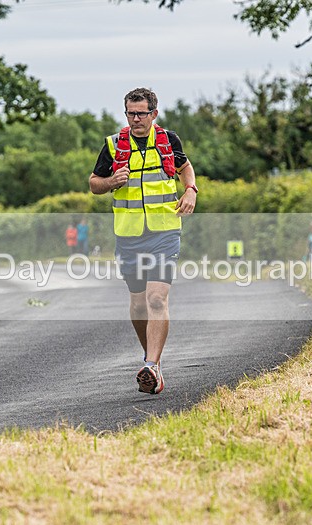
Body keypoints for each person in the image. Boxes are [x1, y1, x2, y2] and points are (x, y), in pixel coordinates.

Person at [89, 87, 197, 395]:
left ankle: (151, 365)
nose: (136, 119)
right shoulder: (113, 145)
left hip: (164, 232)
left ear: (154, 113)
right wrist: (111, 181)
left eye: (141, 113)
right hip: (129, 235)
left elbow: (185, 167)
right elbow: (94, 183)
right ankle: (153, 363)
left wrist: (190, 190)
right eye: (130, 113)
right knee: (138, 304)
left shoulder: (168, 140)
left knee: (156, 299)